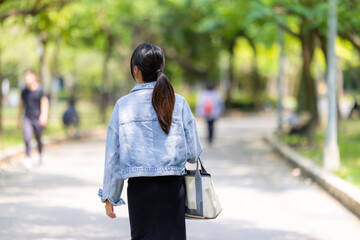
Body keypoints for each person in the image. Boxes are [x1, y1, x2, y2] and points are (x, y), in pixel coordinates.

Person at [98, 43, 202, 240]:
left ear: (135, 70)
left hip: (140, 189)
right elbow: (194, 152)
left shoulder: (123, 106)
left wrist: (111, 196)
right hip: (173, 187)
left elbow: (113, 156)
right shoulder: (178, 103)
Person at [17, 70, 49, 169]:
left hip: (38, 118)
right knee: (27, 138)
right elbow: (21, 105)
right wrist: (18, 118)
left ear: (34, 77)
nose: (27, 79)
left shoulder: (40, 90)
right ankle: (28, 158)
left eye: (29, 77)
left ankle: (40, 153)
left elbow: (45, 102)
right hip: (27, 117)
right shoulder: (24, 91)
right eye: (25, 77)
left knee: (38, 138)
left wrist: (44, 116)